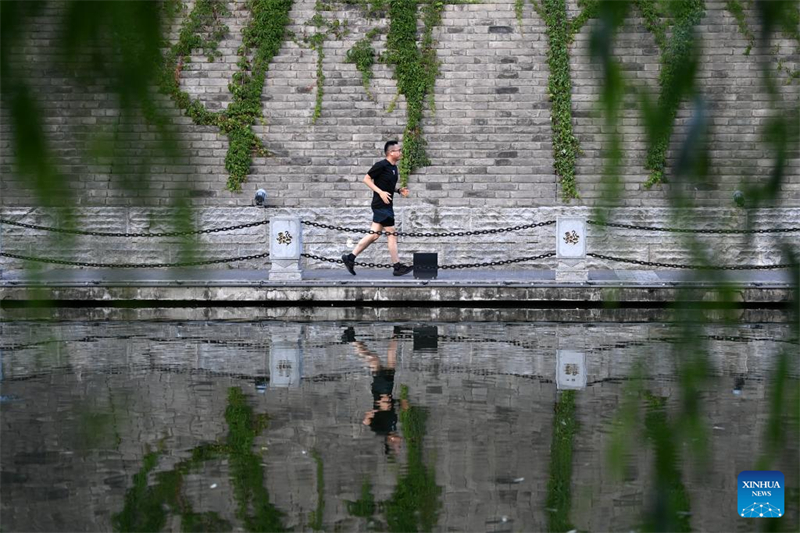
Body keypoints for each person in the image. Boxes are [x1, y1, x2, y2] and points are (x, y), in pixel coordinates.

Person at [341, 141, 413, 276]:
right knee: (392, 233)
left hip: (386, 205)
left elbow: (386, 185)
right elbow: (366, 179)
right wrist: (380, 192)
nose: (401, 152)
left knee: (374, 235)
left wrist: (398, 190)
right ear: (391, 152)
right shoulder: (381, 165)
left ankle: (350, 258)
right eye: (398, 150)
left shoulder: (393, 167)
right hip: (381, 205)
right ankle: (397, 267)